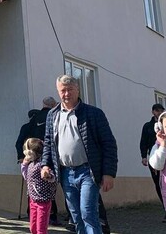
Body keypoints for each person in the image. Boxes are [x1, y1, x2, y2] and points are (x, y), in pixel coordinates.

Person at [41, 74, 118, 234]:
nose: (66, 94)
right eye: (63, 90)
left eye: (70, 90)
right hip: (65, 173)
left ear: (78, 90)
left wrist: (108, 173)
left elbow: (108, 144)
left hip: (88, 172)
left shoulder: (94, 114)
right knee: (75, 216)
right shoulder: (52, 115)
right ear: (58, 91)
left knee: (88, 212)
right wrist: (45, 165)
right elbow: (48, 142)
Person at [21, 138, 57, 234]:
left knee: (40, 229)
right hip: (32, 199)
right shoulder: (31, 164)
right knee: (33, 228)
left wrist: (48, 176)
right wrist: (24, 165)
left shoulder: (42, 164)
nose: (26, 155)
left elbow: (53, 177)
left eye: (28, 153)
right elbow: (26, 176)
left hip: (43, 201)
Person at [140, 103, 166, 221]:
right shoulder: (147, 126)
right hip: (153, 157)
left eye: (161, 110)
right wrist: (143, 156)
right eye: (157, 110)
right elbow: (143, 142)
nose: (159, 112)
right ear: (153, 112)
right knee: (158, 183)